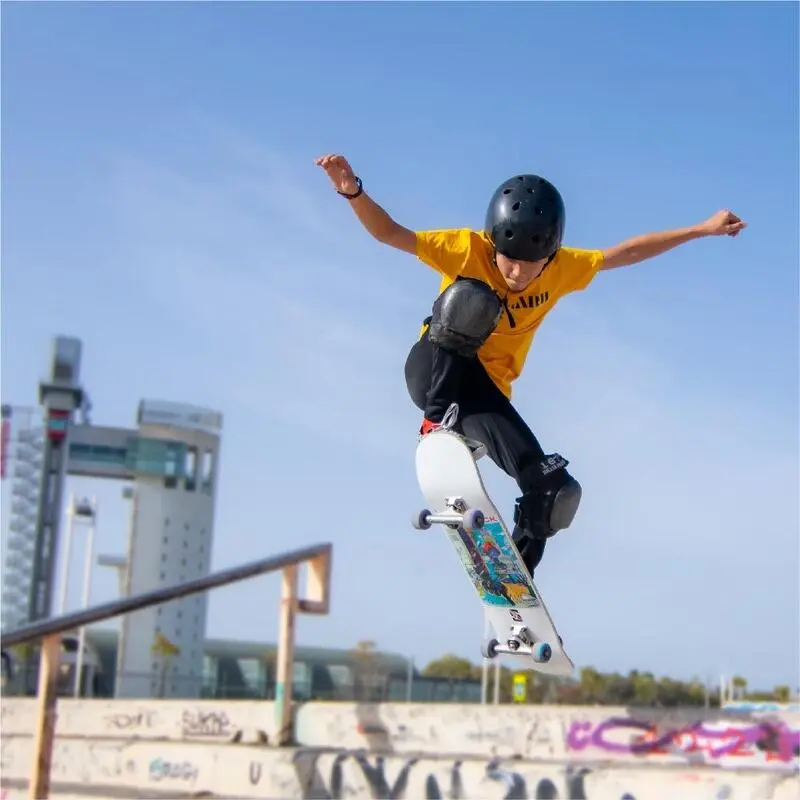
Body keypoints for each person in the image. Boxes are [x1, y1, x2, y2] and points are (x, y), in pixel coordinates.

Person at [315, 153, 746, 578]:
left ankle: (513, 582)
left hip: (485, 398)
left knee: (555, 490)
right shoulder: (465, 249)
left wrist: (701, 229)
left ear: (551, 256)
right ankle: (436, 424)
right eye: (509, 260)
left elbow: (626, 253)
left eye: (531, 264)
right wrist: (352, 192)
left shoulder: (565, 267)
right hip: (434, 373)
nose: (518, 273)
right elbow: (390, 233)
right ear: (494, 244)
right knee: (472, 299)